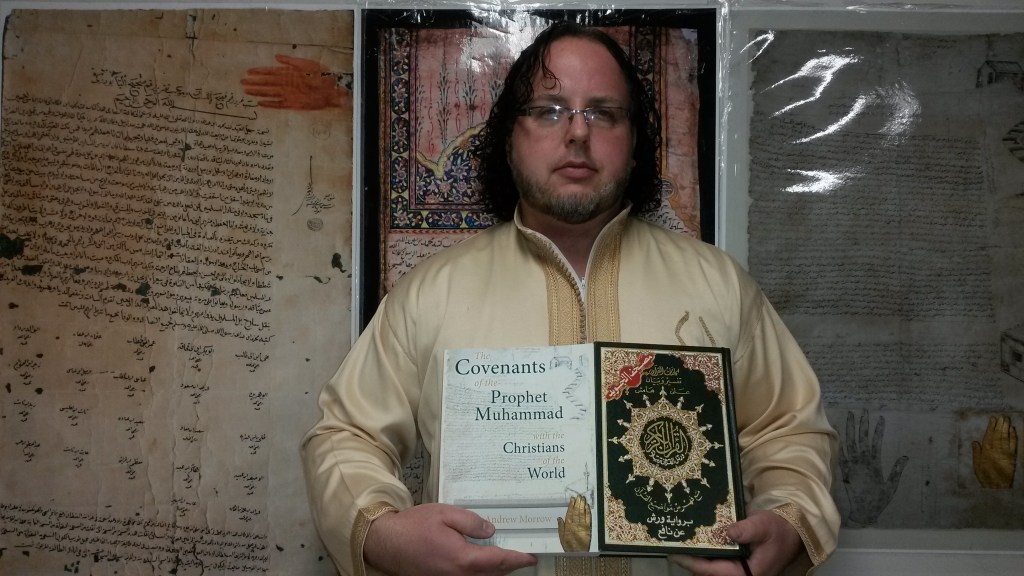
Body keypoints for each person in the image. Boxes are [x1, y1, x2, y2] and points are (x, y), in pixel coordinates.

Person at [302, 21, 839, 576]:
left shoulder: (719, 285)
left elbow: (789, 430)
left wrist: (789, 520)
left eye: (603, 113)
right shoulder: (429, 293)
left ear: (635, 142)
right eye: (549, 110)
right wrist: (383, 534)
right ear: (509, 138)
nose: (578, 132)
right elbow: (347, 435)